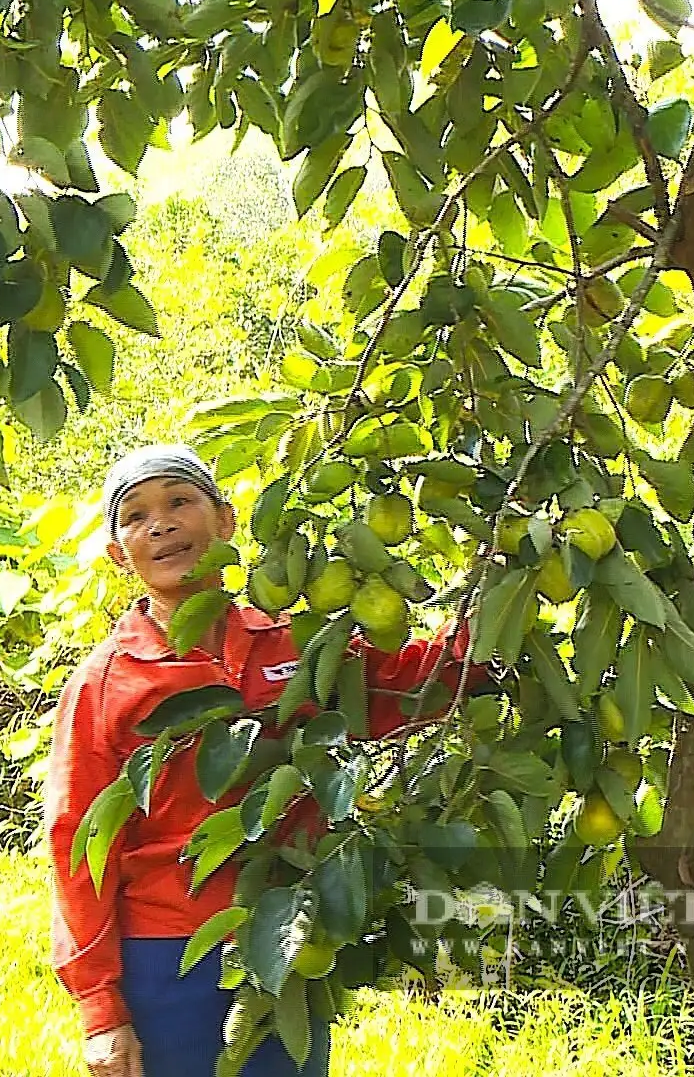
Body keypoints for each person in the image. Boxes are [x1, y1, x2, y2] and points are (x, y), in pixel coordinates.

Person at [45, 445, 479, 1077]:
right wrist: (100, 1006)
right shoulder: (107, 681)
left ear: (224, 520)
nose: (161, 524)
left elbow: (407, 686)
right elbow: (75, 845)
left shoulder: (296, 640)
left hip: (293, 934)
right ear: (118, 551)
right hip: (170, 952)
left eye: (179, 501)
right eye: (135, 516)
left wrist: (488, 615)